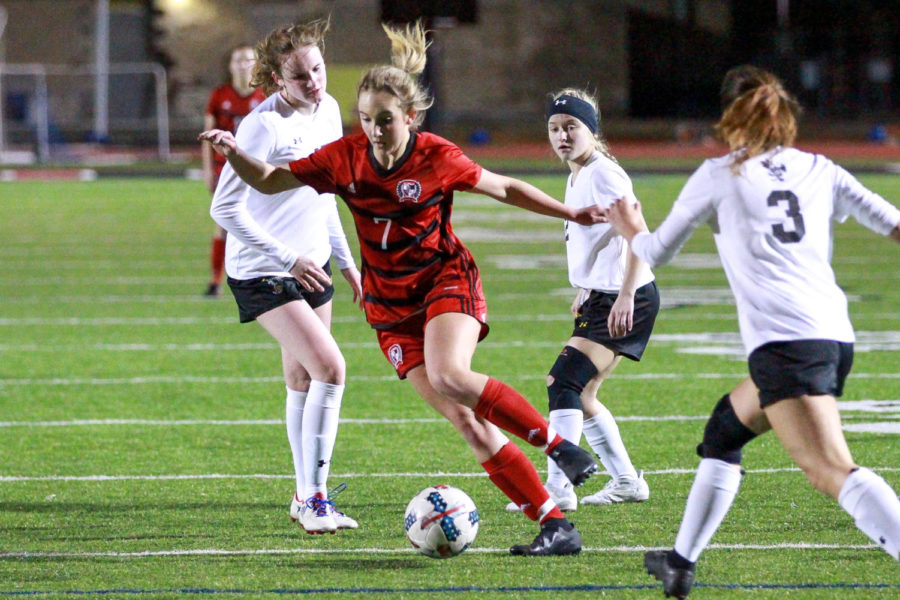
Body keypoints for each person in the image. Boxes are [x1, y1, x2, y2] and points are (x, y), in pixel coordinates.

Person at [201, 21, 607, 556]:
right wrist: (233, 152)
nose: (373, 130)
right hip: (388, 306)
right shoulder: (342, 154)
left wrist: (572, 211)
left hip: (445, 281)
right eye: (366, 119)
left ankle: (556, 445)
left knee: (448, 374)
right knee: (462, 416)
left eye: (385, 120)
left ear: (411, 118)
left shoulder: (435, 155)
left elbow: (504, 186)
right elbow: (272, 180)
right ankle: (554, 524)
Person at [606, 65, 900, 598]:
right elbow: (895, 223)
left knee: (830, 468)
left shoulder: (721, 174)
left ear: (728, 117)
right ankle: (679, 563)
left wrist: (630, 229)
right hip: (832, 336)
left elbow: (656, 253)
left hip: (786, 345)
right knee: (725, 430)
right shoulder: (819, 168)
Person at [209, 18, 363, 535]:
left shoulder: (330, 111)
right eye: (300, 76)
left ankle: (303, 497)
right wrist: (286, 257)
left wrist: (345, 260)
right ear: (276, 79)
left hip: (314, 261)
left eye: (317, 69)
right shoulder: (263, 126)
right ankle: (317, 500)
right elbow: (224, 209)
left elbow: (325, 193)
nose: (314, 82)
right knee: (331, 369)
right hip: (262, 270)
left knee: (302, 379)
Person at [507, 88, 656, 514]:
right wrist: (587, 285)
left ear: (591, 129)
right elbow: (599, 239)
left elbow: (638, 236)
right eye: (554, 128)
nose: (562, 136)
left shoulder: (603, 174)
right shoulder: (578, 173)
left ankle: (557, 488)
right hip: (603, 295)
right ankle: (627, 481)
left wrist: (624, 294)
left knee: (564, 381)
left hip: (626, 297)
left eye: (571, 126)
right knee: (582, 393)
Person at [202, 44, 268, 297]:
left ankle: (259, 277)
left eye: (248, 59)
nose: (243, 64)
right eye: (238, 60)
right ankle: (215, 281)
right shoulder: (219, 95)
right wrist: (208, 170)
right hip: (226, 169)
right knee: (223, 223)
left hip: (255, 168)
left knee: (260, 221)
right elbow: (207, 135)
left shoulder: (264, 95)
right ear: (230, 66)